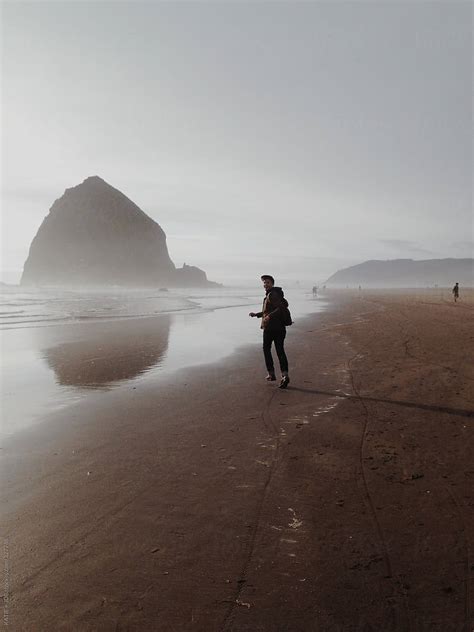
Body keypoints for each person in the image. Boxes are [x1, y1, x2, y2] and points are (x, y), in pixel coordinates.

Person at [249, 275, 290, 389]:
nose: (265, 284)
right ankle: (284, 375)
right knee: (280, 351)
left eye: (267, 282)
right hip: (280, 328)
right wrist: (257, 314)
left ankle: (272, 373)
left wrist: (269, 317)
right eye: (264, 283)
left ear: (272, 283)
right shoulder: (274, 294)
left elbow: (279, 309)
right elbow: (268, 311)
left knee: (267, 349)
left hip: (271, 329)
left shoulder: (272, 294)